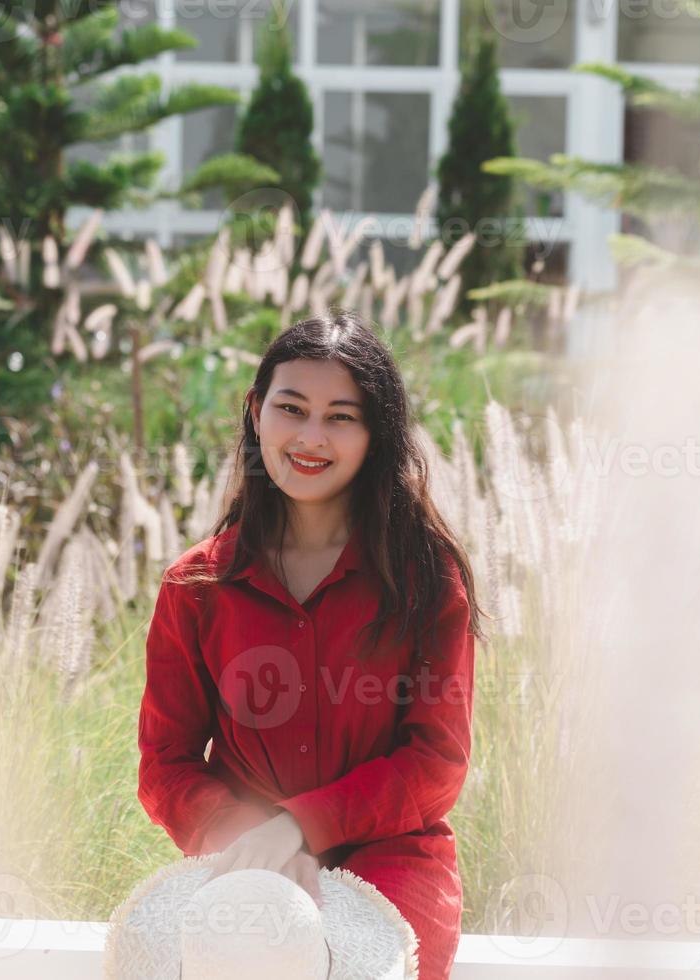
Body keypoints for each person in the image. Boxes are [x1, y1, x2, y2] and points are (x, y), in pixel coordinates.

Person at [135, 308, 487, 980]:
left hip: (390, 864)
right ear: (255, 411)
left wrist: (299, 825)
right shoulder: (196, 585)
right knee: (247, 952)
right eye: (290, 408)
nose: (309, 437)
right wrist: (249, 837)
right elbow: (165, 762)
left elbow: (435, 761)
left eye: (341, 417)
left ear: (375, 434)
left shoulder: (424, 579)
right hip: (243, 856)